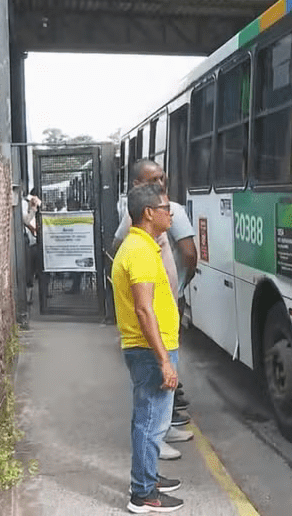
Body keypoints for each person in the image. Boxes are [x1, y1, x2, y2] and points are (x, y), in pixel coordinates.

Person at [112, 159, 197, 456]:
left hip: (160, 308)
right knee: (154, 395)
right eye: (153, 180)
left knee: (158, 396)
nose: (161, 186)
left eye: (162, 178)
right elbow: (189, 253)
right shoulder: (140, 244)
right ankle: (145, 485)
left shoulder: (142, 231)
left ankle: (163, 434)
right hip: (152, 319)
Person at [113, 182, 184, 513]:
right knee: (151, 423)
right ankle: (143, 494)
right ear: (148, 213)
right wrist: (164, 362)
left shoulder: (140, 246)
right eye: (166, 208)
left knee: (150, 420)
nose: (171, 214)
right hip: (149, 351)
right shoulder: (139, 252)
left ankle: (147, 478)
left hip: (148, 349)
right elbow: (144, 310)